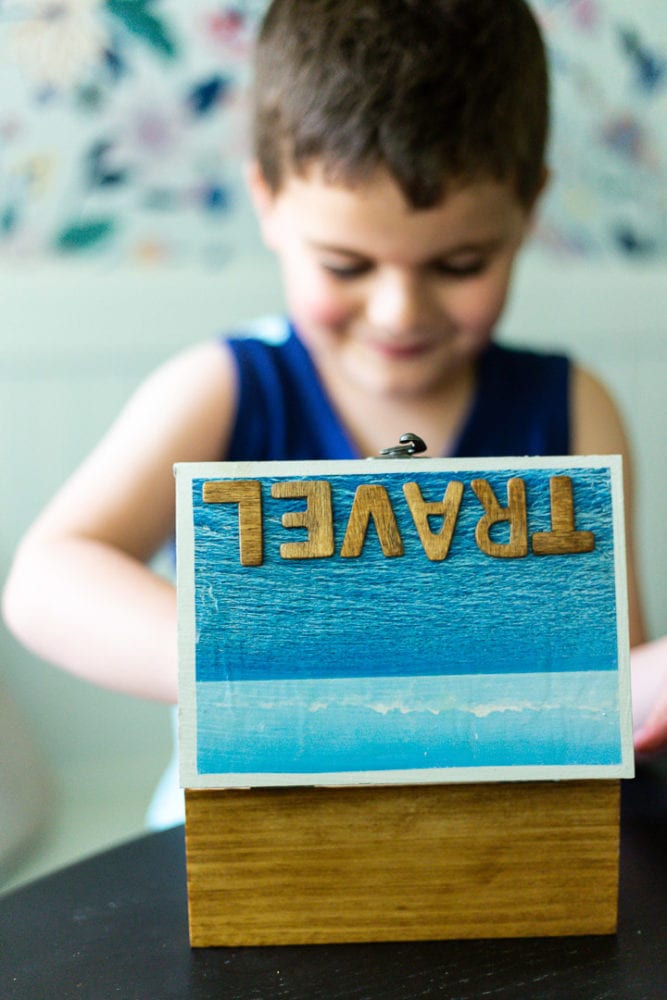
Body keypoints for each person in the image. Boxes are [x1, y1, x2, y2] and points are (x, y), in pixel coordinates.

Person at [3, 0, 666, 828]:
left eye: (460, 263)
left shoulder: (573, 406)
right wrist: (283, 659)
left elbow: (612, 679)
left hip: (487, 836)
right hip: (246, 830)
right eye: (345, 264)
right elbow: (46, 580)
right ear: (268, 201)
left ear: (528, 210)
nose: (398, 311)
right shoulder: (222, 387)